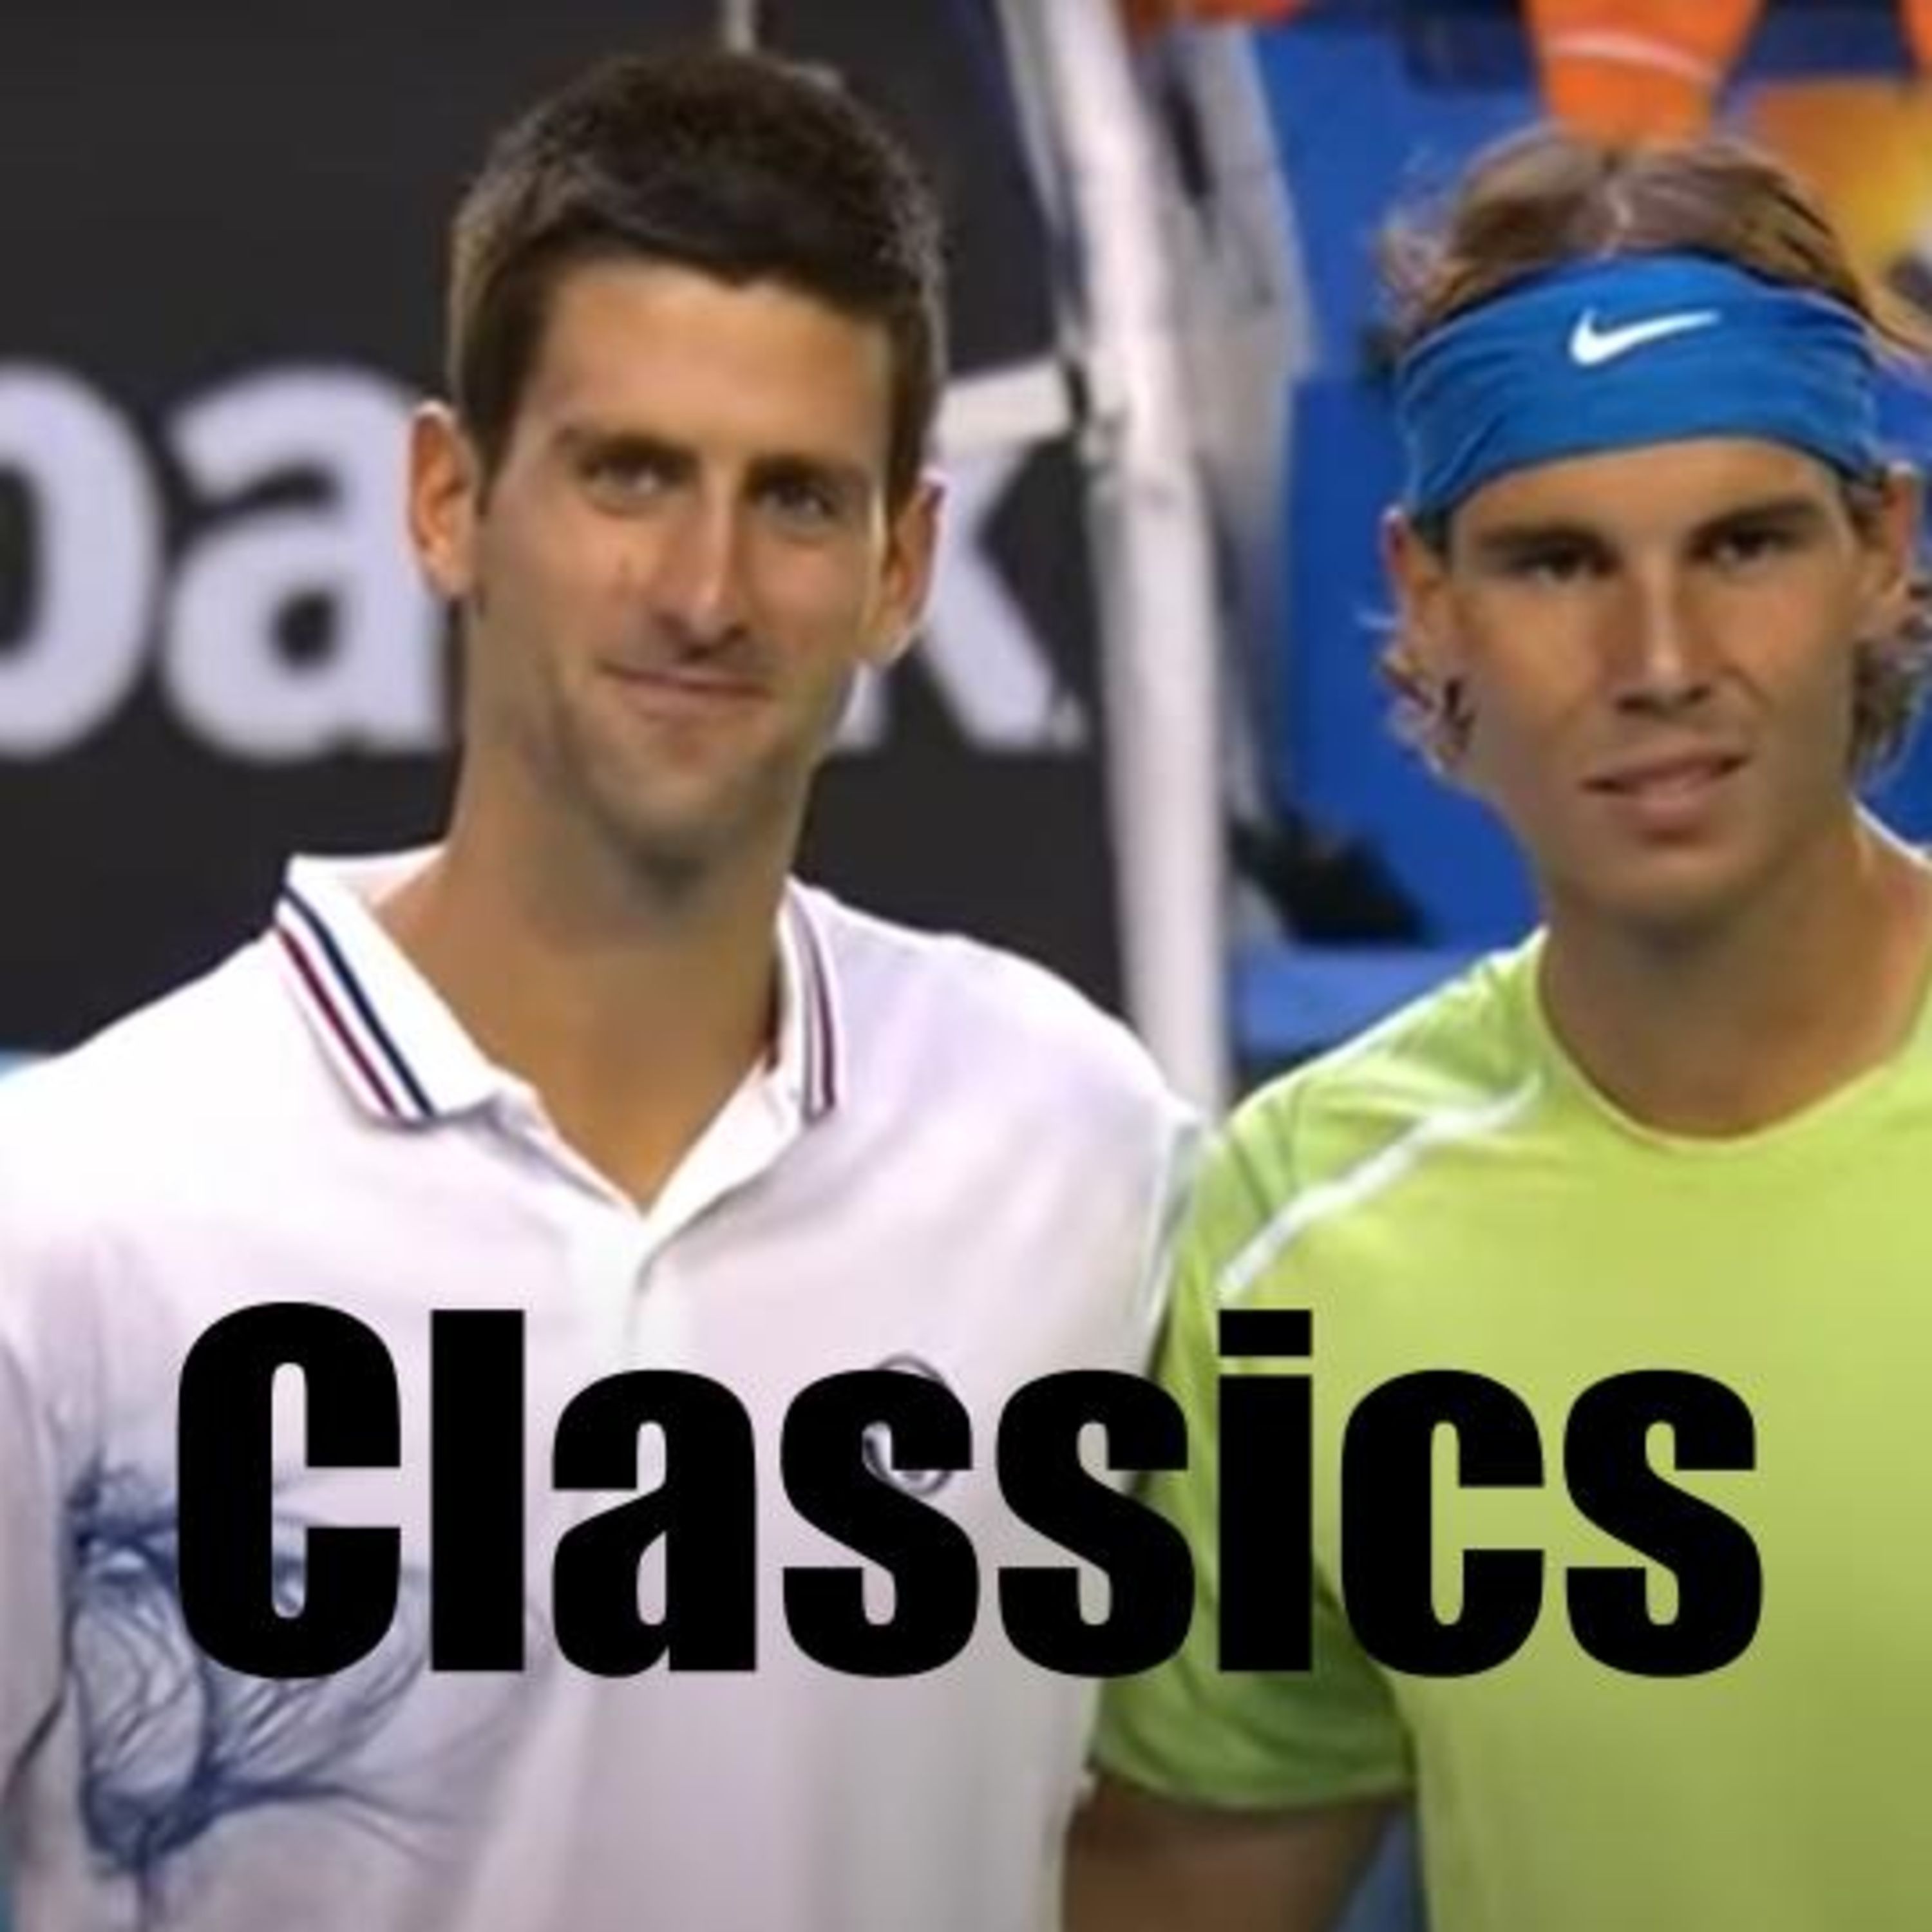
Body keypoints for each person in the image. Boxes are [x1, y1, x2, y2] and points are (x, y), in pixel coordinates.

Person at [0, 49, 1193, 1932]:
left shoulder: (1078, 1151)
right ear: (447, 499)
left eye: (796, 500)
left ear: (903, 567)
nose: (706, 590)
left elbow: (1199, 1825)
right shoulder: (76, 1217)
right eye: (630, 473)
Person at [1068, 124, 1932, 1932]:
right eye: (1557, 564)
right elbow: (1187, 1881)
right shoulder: (1305, 1226)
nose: (1662, 659)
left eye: (1745, 544)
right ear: (1432, 599)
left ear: (1881, 550)